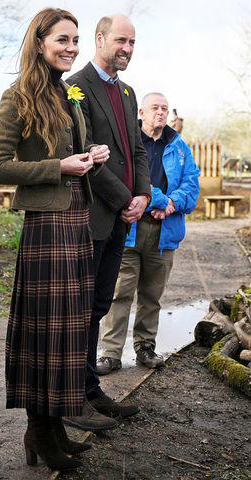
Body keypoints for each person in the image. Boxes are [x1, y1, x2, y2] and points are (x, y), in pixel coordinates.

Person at [0, 8, 110, 472]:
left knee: (68, 330)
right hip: (46, 226)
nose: (72, 47)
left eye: (76, 40)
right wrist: (57, 167)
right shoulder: (17, 96)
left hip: (77, 219)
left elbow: (69, 155)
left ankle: (52, 424)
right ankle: (38, 429)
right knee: (45, 331)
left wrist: (91, 157)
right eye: (63, 39)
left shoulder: (67, 95)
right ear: (39, 43)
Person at [65, 14, 151, 431]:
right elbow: (83, 154)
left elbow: (137, 150)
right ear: (100, 39)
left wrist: (144, 195)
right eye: (121, 40)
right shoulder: (74, 87)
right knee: (81, 309)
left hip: (121, 220)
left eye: (133, 42)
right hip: (92, 217)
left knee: (100, 304)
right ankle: (74, 395)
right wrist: (123, 200)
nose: (128, 49)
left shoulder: (129, 91)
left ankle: (90, 388)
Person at [97, 92, 200, 374]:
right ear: (141, 112)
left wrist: (172, 204)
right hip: (129, 229)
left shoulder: (179, 147)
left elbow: (192, 187)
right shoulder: (129, 144)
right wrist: (159, 200)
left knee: (152, 296)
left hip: (164, 232)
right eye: (155, 108)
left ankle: (145, 347)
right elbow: (125, 182)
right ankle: (111, 353)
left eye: (165, 109)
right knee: (120, 293)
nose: (161, 113)